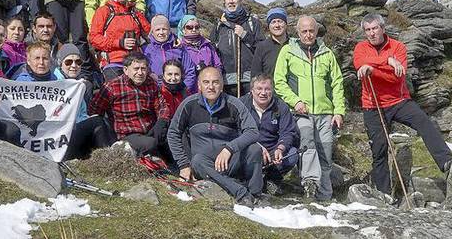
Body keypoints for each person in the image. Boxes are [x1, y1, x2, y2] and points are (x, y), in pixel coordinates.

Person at [353, 13, 452, 196]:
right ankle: (384, 194)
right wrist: (387, 61)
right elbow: (359, 64)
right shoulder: (361, 47)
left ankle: (447, 162)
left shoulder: (398, 47)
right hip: (373, 104)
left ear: (383, 29)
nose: (371, 33)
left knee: (424, 122)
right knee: (379, 149)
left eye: (375, 28)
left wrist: (373, 67)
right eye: (367, 30)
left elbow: (395, 78)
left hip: (399, 101)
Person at [273, 15, 345, 200]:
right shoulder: (287, 51)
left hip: (325, 113)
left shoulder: (326, 53)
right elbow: (279, 82)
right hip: (300, 113)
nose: (308, 35)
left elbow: (337, 83)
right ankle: (310, 188)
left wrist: (338, 111)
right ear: (297, 32)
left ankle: (325, 196)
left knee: (326, 154)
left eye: (311, 31)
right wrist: (295, 101)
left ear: (316, 31)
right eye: (304, 31)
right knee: (308, 145)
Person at [167, 67, 262, 206]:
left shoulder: (234, 104)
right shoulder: (189, 104)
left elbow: (253, 131)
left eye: (215, 82)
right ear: (199, 85)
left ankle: (256, 195)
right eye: (206, 82)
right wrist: (183, 165)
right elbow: (173, 133)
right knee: (197, 160)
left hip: (230, 162)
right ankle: (241, 193)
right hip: (204, 165)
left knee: (254, 149)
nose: (210, 87)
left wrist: (229, 148)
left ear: (222, 85)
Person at [14, 43, 115, 159]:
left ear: (50, 61)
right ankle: (110, 161)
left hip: (62, 135)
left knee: (103, 121)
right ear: (28, 60)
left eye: (45, 58)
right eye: (37, 58)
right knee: (97, 122)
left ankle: (113, 158)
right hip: (42, 138)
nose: (41, 62)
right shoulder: (20, 82)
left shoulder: (59, 81)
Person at [88, 52, 171, 157]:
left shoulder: (151, 83)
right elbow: (94, 110)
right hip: (127, 134)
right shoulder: (112, 87)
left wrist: (161, 121)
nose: (140, 73)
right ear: (126, 70)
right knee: (151, 144)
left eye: (143, 69)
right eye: (136, 69)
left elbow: (162, 106)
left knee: (174, 137)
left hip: (151, 130)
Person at [241, 74, 300, 196]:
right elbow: (235, 131)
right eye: (259, 89)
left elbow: (288, 132)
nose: (263, 93)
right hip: (249, 149)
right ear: (252, 90)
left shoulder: (280, 107)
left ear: (272, 90)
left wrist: (280, 148)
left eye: (267, 89)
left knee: (292, 154)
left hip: (272, 151)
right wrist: (256, 146)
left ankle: (270, 180)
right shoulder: (241, 105)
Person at [89, 0, 150, 81]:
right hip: (113, 63)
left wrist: (173, 39)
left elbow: (150, 33)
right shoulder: (104, 11)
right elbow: (94, 38)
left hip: (135, 64)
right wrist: (119, 43)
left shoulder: (135, 13)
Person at [210, 0, 262, 97]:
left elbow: (261, 49)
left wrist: (245, 35)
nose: (231, 1)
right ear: (224, 1)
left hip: (249, 81)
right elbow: (212, 51)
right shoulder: (219, 26)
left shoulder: (252, 23)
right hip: (227, 82)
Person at [143, 15, 197, 94]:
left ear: (169, 31)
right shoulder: (145, 49)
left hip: (179, 92)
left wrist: (183, 90)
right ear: (152, 31)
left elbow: (190, 71)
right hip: (155, 93)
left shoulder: (178, 48)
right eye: (157, 29)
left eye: (164, 29)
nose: (161, 33)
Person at [251, 8, 289, 78]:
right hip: (269, 88)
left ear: (286, 24)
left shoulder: (294, 45)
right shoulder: (262, 47)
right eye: (273, 22)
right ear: (269, 26)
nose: (277, 25)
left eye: (280, 21)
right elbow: (256, 75)